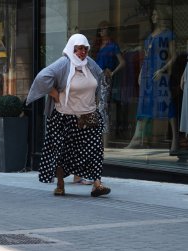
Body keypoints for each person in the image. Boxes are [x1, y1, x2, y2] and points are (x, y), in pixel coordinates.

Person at [26, 33, 111, 197]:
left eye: (85, 48)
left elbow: (99, 78)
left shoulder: (90, 64)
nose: (83, 52)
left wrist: (97, 100)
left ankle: (97, 184)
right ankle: (60, 184)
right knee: (61, 152)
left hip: (88, 114)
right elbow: (42, 78)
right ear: (72, 48)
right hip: (64, 116)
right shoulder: (63, 64)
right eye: (79, 48)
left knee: (95, 150)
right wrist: (55, 94)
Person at [126, 6, 178, 155]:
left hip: (161, 75)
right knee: (144, 104)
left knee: (167, 105)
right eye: (153, 14)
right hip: (148, 74)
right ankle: (138, 139)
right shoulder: (150, 36)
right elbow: (147, 57)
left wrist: (163, 70)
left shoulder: (169, 35)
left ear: (161, 16)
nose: (153, 16)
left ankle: (174, 140)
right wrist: (141, 72)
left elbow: (174, 56)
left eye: (156, 14)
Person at [91, 20, 126, 137]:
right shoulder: (97, 45)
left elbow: (122, 62)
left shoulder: (113, 45)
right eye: (100, 29)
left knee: (102, 107)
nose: (101, 31)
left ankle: (105, 140)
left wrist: (112, 72)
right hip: (94, 78)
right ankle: (96, 136)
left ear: (108, 30)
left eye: (104, 28)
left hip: (105, 78)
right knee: (94, 106)